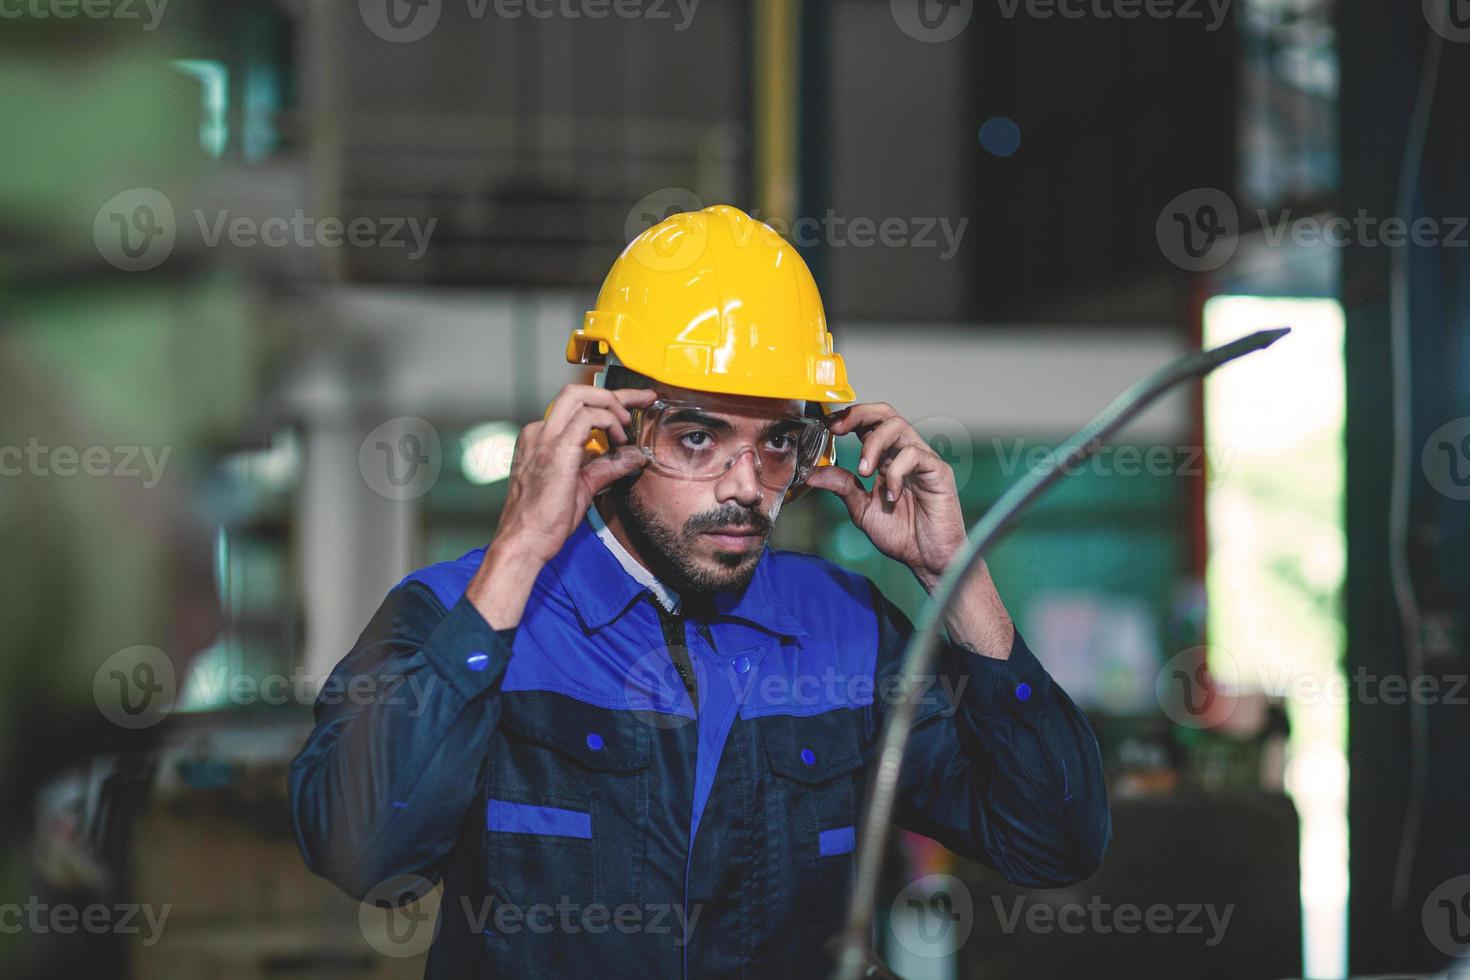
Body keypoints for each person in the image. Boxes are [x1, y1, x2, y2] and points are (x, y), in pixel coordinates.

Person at [290, 205, 1110, 977]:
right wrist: (518, 557)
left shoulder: (846, 628)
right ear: (610, 428)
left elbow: (1053, 841)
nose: (747, 486)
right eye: (697, 437)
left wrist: (952, 573)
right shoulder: (460, 612)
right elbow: (360, 851)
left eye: (779, 443)